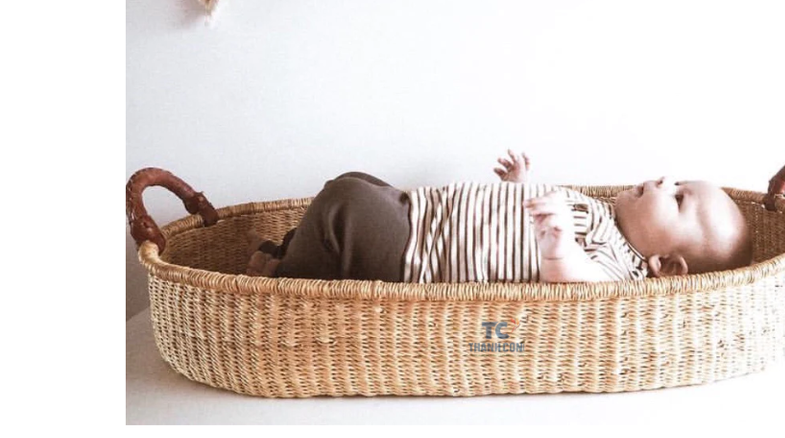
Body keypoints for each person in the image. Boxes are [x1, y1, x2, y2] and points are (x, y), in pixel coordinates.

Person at [244, 150, 751, 284]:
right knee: (354, 183)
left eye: (678, 199)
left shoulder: (619, 267)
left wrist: (561, 249)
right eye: (677, 181)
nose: (665, 181)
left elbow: (579, 286)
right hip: (426, 213)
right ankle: (292, 251)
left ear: (667, 265)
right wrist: (521, 189)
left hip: (420, 255)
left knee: (343, 203)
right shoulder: (601, 212)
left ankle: (288, 281)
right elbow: (519, 222)